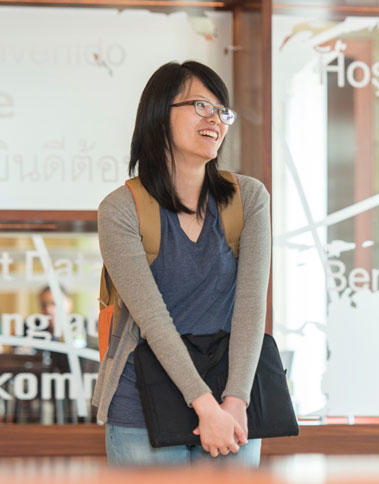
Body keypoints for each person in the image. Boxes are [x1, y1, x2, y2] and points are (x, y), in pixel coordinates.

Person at [92, 61, 270, 466]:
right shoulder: (122, 209)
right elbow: (152, 319)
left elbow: (251, 306)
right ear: (159, 115)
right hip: (142, 405)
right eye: (200, 106)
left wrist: (236, 401)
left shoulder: (250, 198)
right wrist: (204, 406)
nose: (216, 120)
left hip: (232, 403)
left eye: (222, 111)